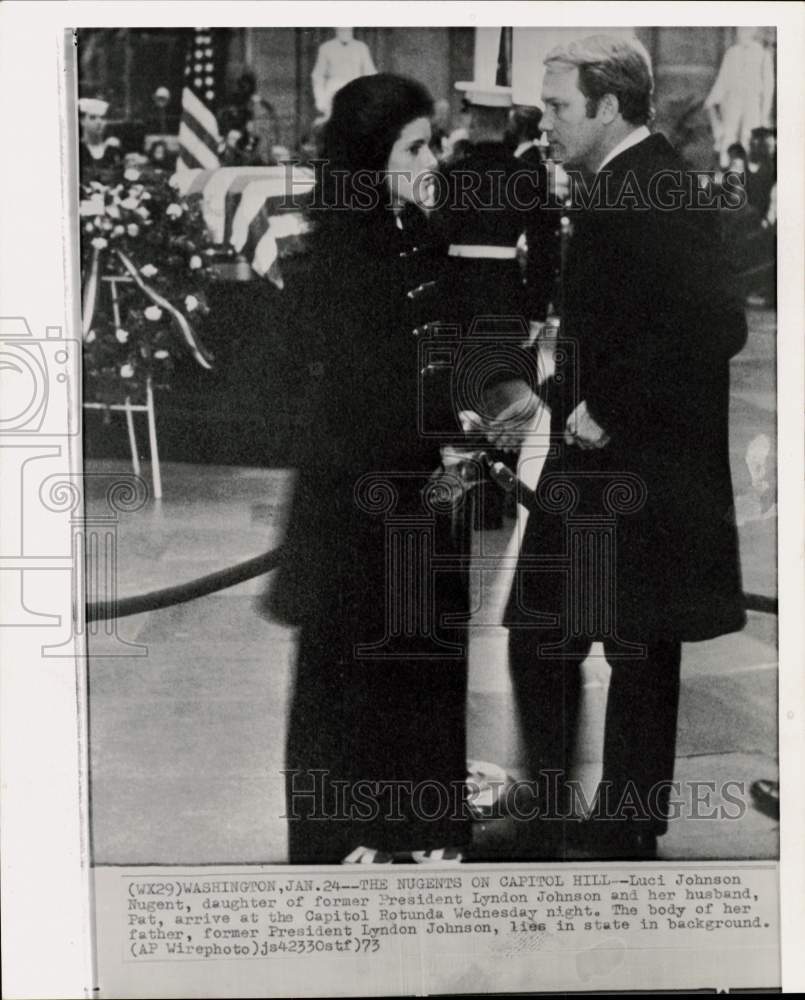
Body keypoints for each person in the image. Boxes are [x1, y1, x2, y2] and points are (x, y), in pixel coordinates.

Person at [490, 35, 748, 860]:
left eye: (559, 108)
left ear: (608, 105)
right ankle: (592, 813)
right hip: (611, 454)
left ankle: (598, 818)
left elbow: (716, 324)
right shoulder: (626, 180)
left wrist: (609, 405)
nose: (543, 124)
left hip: (636, 458)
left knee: (601, 636)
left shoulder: (655, 186)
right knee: (578, 633)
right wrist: (559, 393)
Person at [268, 74, 472, 865]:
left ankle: (414, 831)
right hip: (357, 511)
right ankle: (346, 839)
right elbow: (360, 396)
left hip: (413, 499)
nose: (434, 160)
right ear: (370, 157)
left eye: (435, 144)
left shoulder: (410, 232)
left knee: (415, 675)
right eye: (416, 147)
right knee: (350, 678)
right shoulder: (344, 256)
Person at [705, 27, 774, 169]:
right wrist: (712, 100)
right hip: (732, 103)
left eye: (746, 30)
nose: (742, 33)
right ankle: (729, 172)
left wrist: (764, 117)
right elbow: (723, 80)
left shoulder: (762, 55)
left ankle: (750, 174)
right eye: (740, 30)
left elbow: (768, 88)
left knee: (750, 139)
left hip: (753, 104)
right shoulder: (731, 53)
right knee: (728, 138)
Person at [311, 28, 377, 121]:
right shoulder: (326, 48)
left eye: (348, 29)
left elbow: (371, 73)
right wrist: (320, 99)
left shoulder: (361, 47)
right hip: (333, 93)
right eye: (341, 29)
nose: (345, 31)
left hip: (356, 92)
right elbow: (318, 75)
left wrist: (370, 98)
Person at [78, 97, 122, 179]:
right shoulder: (78, 149)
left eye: (102, 118)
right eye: (93, 118)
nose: (99, 122)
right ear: (82, 121)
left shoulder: (112, 149)